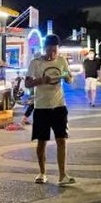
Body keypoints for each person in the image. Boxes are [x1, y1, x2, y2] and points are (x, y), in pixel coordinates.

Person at [25, 34, 76, 186]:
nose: (52, 54)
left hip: (59, 105)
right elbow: (27, 83)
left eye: (55, 50)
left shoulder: (61, 60)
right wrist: (41, 80)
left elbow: (69, 76)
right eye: (50, 50)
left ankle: (62, 175)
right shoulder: (36, 63)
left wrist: (67, 77)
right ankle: (42, 173)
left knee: (61, 140)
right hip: (41, 107)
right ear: (44, 48)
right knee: (42, 142)